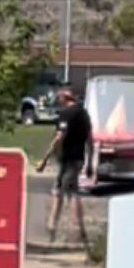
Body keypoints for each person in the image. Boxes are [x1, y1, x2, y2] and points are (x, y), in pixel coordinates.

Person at [37, 86, 91, 246]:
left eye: (59, 98)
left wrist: (45, 158)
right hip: (79, 158)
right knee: (71, 192)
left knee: (61, 193)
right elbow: (90, 139)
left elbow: (59, 137)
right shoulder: (84, 114)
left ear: (64, 98)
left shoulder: (67, 114)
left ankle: (53, 229)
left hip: (68, 159)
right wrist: (90, 160)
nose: (58, 101)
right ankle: (77, 230)